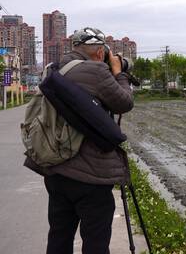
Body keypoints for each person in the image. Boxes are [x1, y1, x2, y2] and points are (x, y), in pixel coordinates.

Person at [24, 27, 134, 254]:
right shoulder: (96, 71)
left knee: (59, 236)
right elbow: (124, 102)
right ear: (99, 52)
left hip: (56, 170)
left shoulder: (54, 70)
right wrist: (119, 73)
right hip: (90, 176)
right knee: (95, 241)